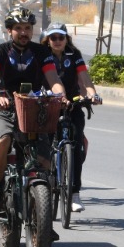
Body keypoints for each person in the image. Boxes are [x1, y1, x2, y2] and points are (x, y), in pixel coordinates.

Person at [0, 8, 65, 211]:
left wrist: (61, 96)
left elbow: (53, 79)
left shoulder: (41, 52)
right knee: (3, 140)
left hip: (34, 109)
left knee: (45, 160)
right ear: (9, 30)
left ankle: (41, 217)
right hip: (5, 108)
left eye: (28, 28)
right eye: (18, 28)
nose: (24, 32)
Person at [44, 23, 101, 212]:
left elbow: (84, 77)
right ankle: (46, 182)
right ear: (47, 39)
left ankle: (74, 192)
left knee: (76, 147)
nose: (58, 41)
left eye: (61, 37)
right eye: (53, 38)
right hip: (47, 104)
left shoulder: (73, 54)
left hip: (73, 104)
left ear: (66, 38)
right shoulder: (42, 54)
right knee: (44, 145)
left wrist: (92, 94)